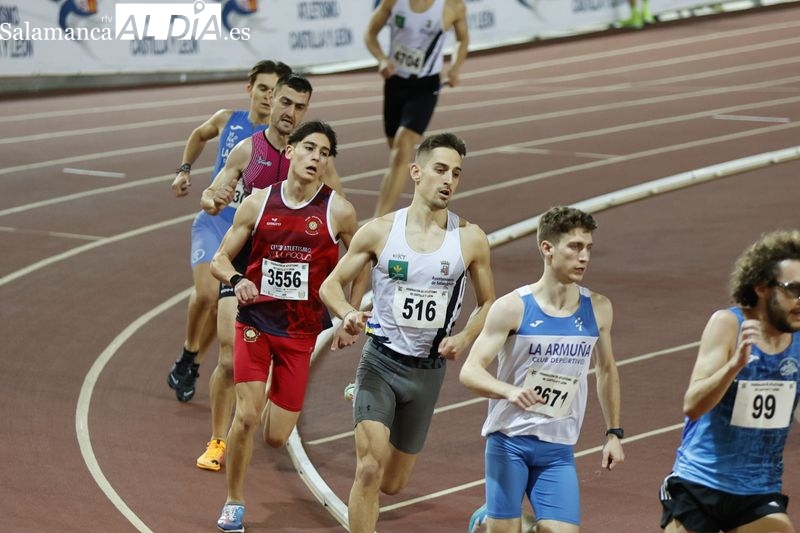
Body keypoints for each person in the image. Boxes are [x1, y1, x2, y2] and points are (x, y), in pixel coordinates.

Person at [319, 132, 496, 533]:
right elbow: (330, 286)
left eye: (456, 173)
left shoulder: (470, 238)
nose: (448, 180)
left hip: (427, 372)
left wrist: (464, 337)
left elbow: (488, 303)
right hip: (380, 362)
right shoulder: (380, 232)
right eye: (440, 170)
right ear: (416, 172)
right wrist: (347, 313)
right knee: (368, 469)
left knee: (393, 483)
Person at [211, 121, 361, 533]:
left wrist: (348, 314)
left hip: (300, 334)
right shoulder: (258, 203)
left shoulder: (339, 211)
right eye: (309, 148)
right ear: (290, 151)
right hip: (255, 324)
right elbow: (219, 260)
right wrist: (237, 280)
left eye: (324, 153)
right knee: (246, 416)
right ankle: (234, 502)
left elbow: (363, 259)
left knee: (276, 437)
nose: (316, 157)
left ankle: (270, 398)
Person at [194, 74, 341, 473]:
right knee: (228, 356)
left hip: (293, 273)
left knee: (270, 389)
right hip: (246, 264)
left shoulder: (314, 156)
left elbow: (338, 212)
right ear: (273, 100)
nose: (291, 112)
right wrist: (212, 199)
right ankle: (218, 440)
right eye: (286, 103)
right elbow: (212, 194)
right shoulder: (248, 149)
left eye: (300, 107)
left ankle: (266, 395)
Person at [460, 205, 625, 533]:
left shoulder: (598, 309)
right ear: (547, 248)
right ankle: (491, 519)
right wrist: (509, 391)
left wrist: (614, 434)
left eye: (588, 248)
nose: (584, 257)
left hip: (557, 448)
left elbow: (606, 370)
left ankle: (511, 521)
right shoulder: (513, 308)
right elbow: (470, 371)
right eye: (574, 247)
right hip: (509, 440)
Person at [167, 60, 292, 403]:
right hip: (214, 222)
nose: (268, 96)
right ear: (250, 88)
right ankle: (189, 351)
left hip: (248, 235)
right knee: (207, 295)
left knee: (224, 307)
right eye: (263, 88)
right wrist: (184, 170)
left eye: (275, 91)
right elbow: (198, 135)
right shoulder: (227, 119)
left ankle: (192, 361)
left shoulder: (286, 141)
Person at [659, 230, 800, 533]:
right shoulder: (728, 324)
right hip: (699, 483)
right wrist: (734, 365)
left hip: (758, 490)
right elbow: (693, 405)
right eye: (794, 289)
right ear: (761, 287)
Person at [364, 0, 469, 217]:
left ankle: (378, 220)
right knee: (396, 153)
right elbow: (370, 34)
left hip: (425, 85)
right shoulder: (394, 2)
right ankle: (416, 208)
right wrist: (382, 59)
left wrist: (455, 67)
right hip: (395, 82)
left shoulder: (451, 6)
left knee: (402, 148)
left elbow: (462, 38)